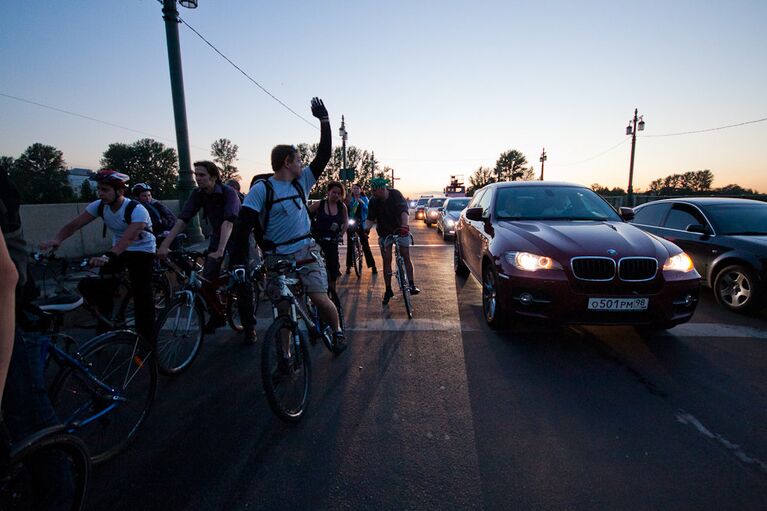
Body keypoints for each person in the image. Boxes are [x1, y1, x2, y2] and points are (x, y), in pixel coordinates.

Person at [229, 97, 346, 357]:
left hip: (306, 250)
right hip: (277, 257)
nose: (303, 163)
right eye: (298, 159)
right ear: (286, 163)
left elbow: (324, 154)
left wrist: (324, 121)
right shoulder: (262, 190)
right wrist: (237, 261)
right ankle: (285, 357)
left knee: (318, 297)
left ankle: (337, 330)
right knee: (283, 310)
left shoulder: (300, 182)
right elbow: (242, 227)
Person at [41, 169, 156, 341]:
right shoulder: (99, 206)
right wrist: (57, 240)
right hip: (118, 249)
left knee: (142, 294)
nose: (100, 194)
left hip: (142, 250)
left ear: (120, 191)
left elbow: (128, 238)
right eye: (99, 189)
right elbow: (75, 225)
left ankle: (147, 339)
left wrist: (107, 256)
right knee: (101, 285)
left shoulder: (137, 210)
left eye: (105, 190)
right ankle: (105, 326)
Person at [157, 161, 257, 343]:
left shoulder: (229, 193)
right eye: (196, 175)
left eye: (202, 175)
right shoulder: (198, 194)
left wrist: (220, 251)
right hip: (219, 236)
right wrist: (165, 244)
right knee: (206, 279)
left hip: (239, 238)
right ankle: (217, 315)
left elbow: (229, 222)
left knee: (242, 279)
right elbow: (182, 220)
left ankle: (249, 326)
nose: (198, 178)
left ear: (213, 176)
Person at [365, 177, 420, 305]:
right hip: (384, 232)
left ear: (382, 188)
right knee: (387, 259)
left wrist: (405, 226)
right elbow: (370, 218)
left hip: (400, 229)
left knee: (405, 254)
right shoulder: (373, 201)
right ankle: (388, 289)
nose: (372, 193)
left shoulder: (395, 195)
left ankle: (411, 284)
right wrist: (365, 229)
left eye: (374, 190)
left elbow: (403, 212)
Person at [309, 181, 348, 296]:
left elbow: (346, 222)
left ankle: (332, 294)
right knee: (314, 267)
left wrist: (341, 235)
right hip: (318, 240)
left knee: (333, 268)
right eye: (334, 192)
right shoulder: (320, 204)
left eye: (339, 193)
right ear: (328, 192)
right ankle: (317, 293)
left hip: (332, 241)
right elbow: (304, 215)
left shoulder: (342, 207)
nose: (336, 195)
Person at [345, 183, 377, 275]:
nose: (355, 190)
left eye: (357, 188)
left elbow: (368, 211)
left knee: (365, 245)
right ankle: (348, 266)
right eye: (354, 188)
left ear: (360, 190)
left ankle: (373, 266)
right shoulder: (350, 199)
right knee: (350, 244)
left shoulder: (364, 198)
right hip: (352, 223)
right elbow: (347, 209)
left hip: (362, 223)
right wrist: (353, 203)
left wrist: (362, 203)